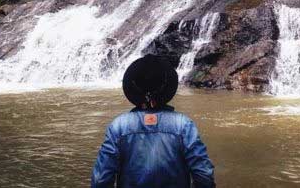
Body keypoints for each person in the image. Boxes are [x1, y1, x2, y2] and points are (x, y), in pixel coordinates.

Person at [91, 54, 216, 187]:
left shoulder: (119, 126)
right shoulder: (183, 125)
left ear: (132, 87)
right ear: (168, 87)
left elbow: (100, 179)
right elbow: (204, 174)